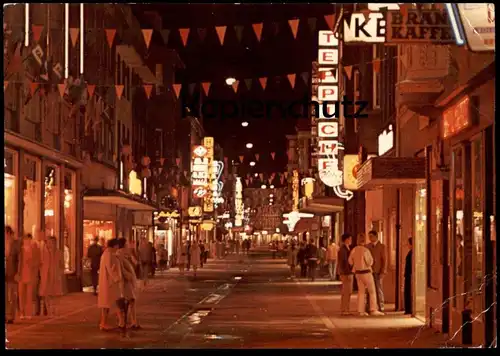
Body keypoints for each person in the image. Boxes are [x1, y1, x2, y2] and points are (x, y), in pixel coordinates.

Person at [348, 233, 384, 316]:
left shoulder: (354, 250)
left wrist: (356, 264)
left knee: (361, 292)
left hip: (358, 273)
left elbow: (350, 261)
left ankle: (360, 310)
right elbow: (369, 262)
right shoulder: (365, 250)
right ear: (364, 241)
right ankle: (373, 309)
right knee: (372, 291)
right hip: (366, 273)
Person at [97, 238, 123, 331]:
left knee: (108, 304)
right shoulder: (108, 254)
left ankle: (104, 323)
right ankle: (118, 322)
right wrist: (116, 278)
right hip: (109, 283)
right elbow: (110, 268)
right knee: (111, 303)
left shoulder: (109, 254)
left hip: (109, 282)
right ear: (115, 245)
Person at [116, 238, 140, 330]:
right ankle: (123, 322)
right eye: (127, 243)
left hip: (130, 281)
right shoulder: (119, 254)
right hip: (125, 282)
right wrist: (128, 275)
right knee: (127, 301)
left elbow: (135, 263)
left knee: (131, 301)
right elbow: (121, 268)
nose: (129, 244)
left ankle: (132, 321)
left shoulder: (128, 253)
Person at [38, 236, 64, 317]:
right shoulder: (44, 253)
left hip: (55, 275)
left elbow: (61, 265)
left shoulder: (59, 252)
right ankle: (49, 310)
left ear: (54, 243)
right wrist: (41, 272)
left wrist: (59, 273)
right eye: (48, 242)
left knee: (54, 294)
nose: (49, 244)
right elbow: (40, 263)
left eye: (51, 242)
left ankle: (53, 310)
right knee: (46, 293)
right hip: (46, 275)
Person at [18, 233, 41, 320]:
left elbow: (38, 261)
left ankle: (28, 312)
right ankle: (21, 312)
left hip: (31, 274)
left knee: (29, 295)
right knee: (21, 294)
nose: (26, 241)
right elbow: (18, 262)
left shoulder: (34, 249)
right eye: (25, 239)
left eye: (28, 239)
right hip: (22, 274)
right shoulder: (21, 249)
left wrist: (32, 264)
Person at [367, 230, 387, 313]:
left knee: (378, 289)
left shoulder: (382, 246)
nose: (370, 238)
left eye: (371, 236)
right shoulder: (367, 246)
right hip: (369, 271)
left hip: (378, 271)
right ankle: (369, 306)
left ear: (376, 236)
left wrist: (383, 271)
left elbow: (384, 260)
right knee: (369, 290)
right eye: (369, 236)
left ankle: (381, 306)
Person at [5, 226, 21, 324]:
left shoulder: (16, 244)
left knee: (12, 295)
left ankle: (11, 315)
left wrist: (18, 272)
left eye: (6, 233)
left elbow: (19, 260)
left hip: (13, 272)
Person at [338, 233, 354, 315]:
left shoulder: (346, 248)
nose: (351, 241)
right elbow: (343, 261)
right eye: (350, 239)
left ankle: (346, 309)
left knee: (348, 291)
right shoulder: (343, 249)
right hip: (346, 273)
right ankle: (344, 309)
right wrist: (344, 272)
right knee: (346, 291)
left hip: (348, 272)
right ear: (346, 240)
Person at [404, 237, 413, 315]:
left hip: (409, 275)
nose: (407, 245)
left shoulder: (412, 253)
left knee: (408, 291)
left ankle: (409, 309)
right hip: (408, 274)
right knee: (407, 291)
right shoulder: (411, 252)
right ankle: (408, 309)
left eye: (408, 243)